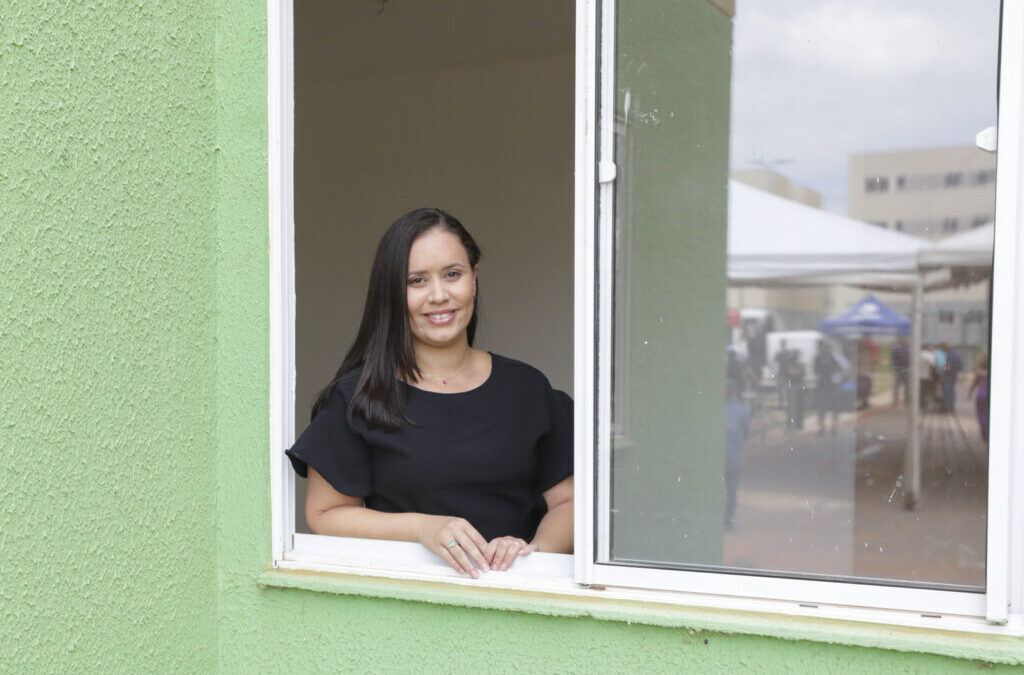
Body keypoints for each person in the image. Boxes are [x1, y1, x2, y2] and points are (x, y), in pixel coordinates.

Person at [285, 208, 574, 578]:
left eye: (453, 274)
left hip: (516, 606)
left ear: (474, 277)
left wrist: (530, 555)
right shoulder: (359, 397)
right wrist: (425, 529)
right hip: (404, 606)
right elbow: (325, 515)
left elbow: (568, 501)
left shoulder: (527, 388)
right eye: (416, 281)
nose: (439, 295)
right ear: (391, 292)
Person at [723, 381, 750, 531]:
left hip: (717, 456)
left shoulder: (716, 409)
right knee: (732, 491)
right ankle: (728, 520)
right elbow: (746, 434)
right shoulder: (743, 411)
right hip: (734, 456)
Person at [813, 340, 841, 435]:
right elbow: (816, 370)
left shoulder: (827, 357)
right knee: (825, 407)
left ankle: (828, 427)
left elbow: (816, 370)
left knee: (828, 406)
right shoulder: (827, 357)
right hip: (826, 384)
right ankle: (825, 427)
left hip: (827, 383)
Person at [967, 354, 990, 442]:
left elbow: (974, 384)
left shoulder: (980, 372)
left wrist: (969, 394)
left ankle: (984, 432)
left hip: (981, 394)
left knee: (981, 414)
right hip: (989, 395)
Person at [941, 341, 963, 414]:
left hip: (948, 375)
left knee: (947, 391)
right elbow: (960, 365)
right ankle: (952, 407)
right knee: (952, 391)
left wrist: (943, 371)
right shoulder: (956, 354)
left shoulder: (949, 355)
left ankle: (946, 408)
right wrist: (955, 371)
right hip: (954, 374)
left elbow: (947, 367)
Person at [891, 336, 909, 407]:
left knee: (898, 385)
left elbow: (893, 359)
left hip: (901, 369)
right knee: (901, 385)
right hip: (902, 369)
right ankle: (904, 399)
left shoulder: (896, 349)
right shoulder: (904, 349)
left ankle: (897, 399)